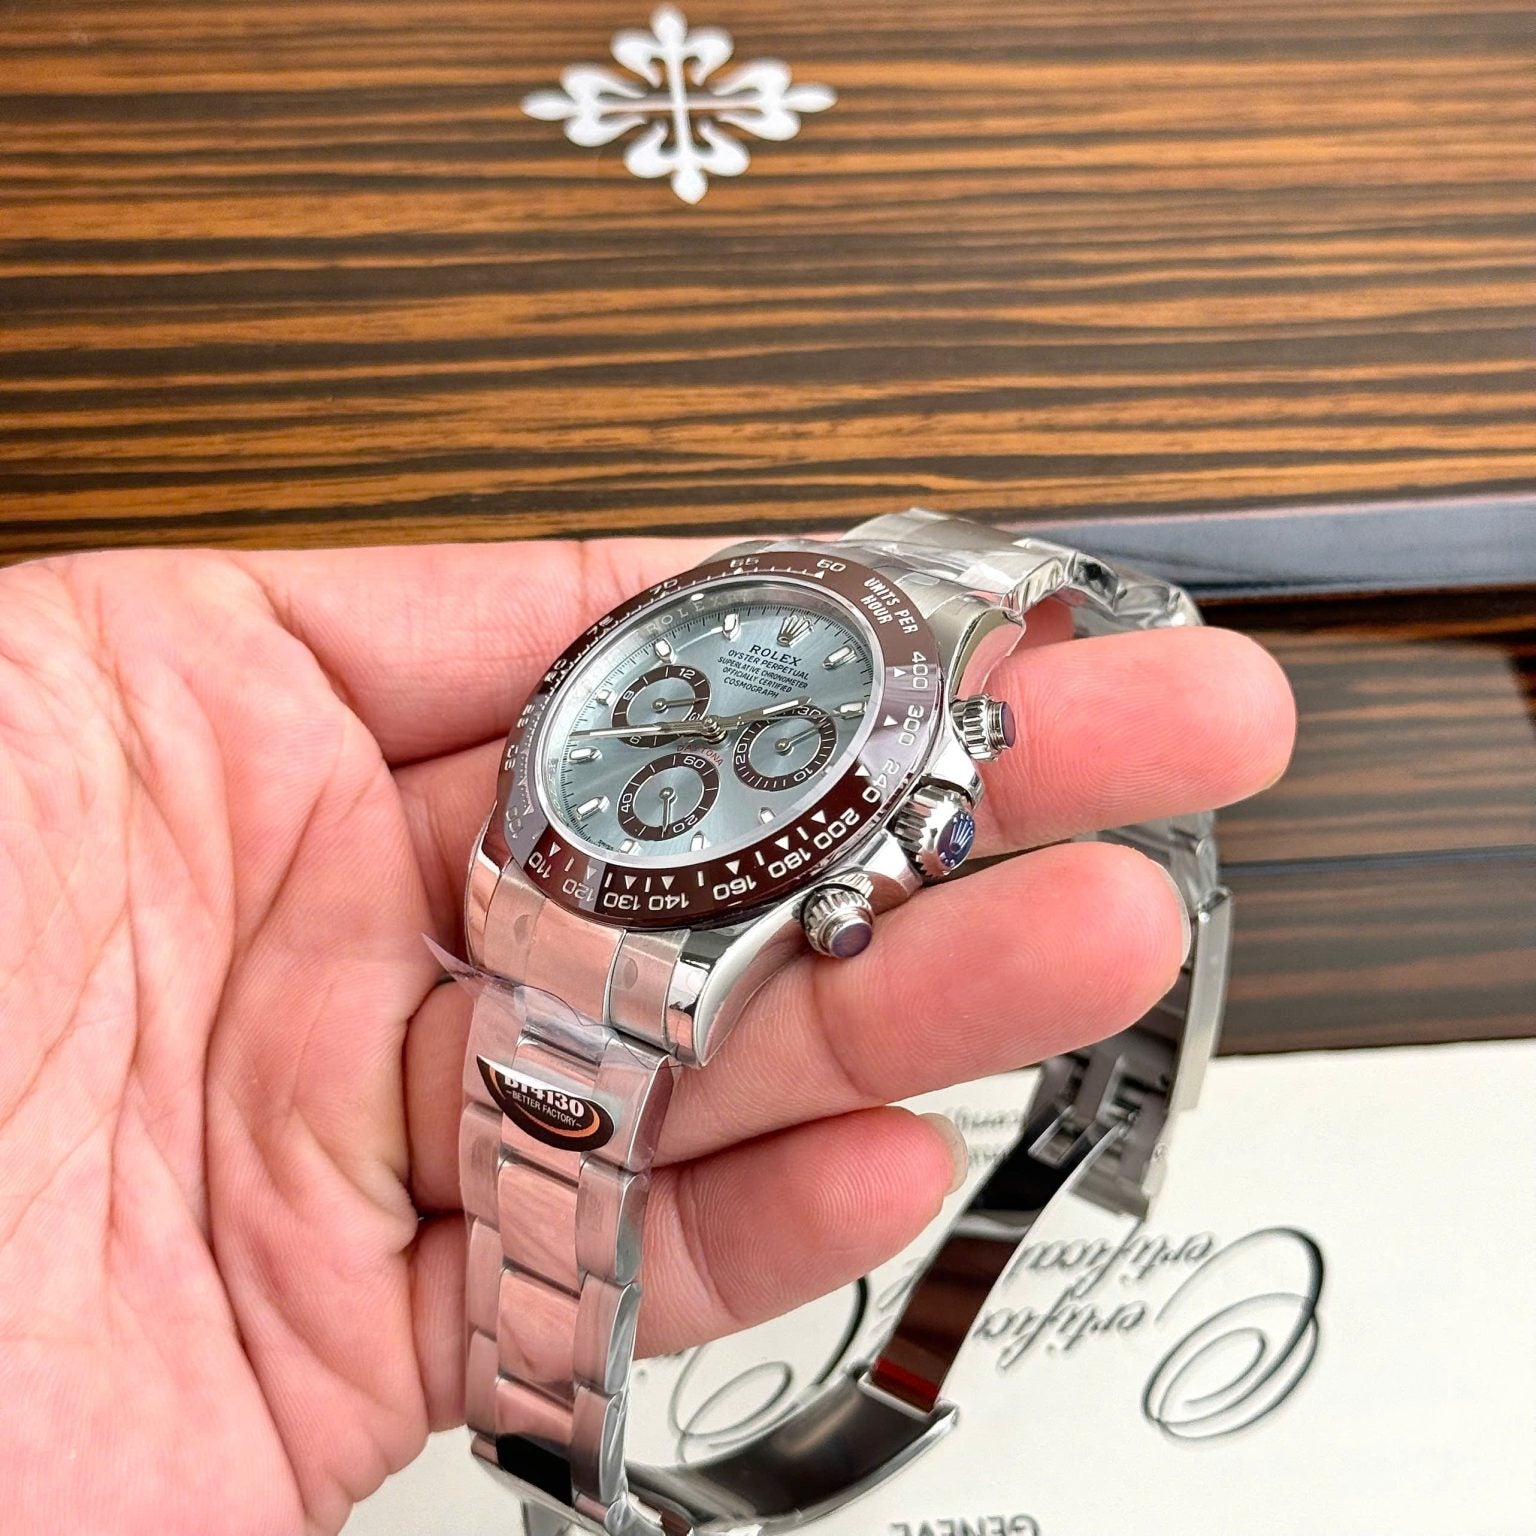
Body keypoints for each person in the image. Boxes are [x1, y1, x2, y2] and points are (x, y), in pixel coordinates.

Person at [0, 537, 1296, 1535]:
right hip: (551, 892)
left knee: (1105, 915)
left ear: (925, 808)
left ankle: (1108, 1118)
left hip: (649, 927)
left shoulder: (907, 759)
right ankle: (558, 1460)